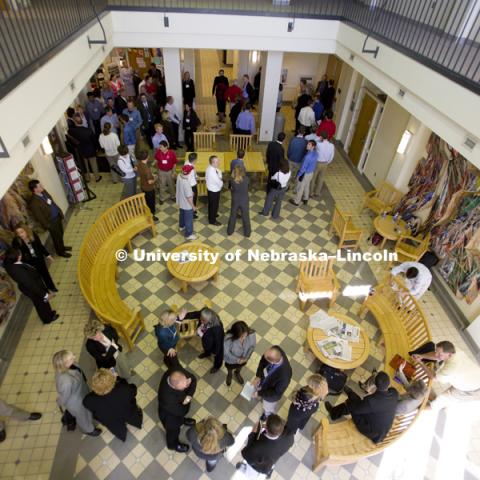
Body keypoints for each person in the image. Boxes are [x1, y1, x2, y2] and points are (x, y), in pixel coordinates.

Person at [325, 371, 399, 444]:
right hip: (380, 428)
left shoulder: (372, 401)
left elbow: (357, 410)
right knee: (359, 403)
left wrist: (352, 398)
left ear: (375, 384)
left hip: (372, 432)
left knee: (351, 405)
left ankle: (333, 413)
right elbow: (368, 404)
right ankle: (349, 393)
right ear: (388, 383)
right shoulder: (394, 393)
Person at [410, 341, 480, 410]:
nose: (436, 355)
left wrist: (421, 363)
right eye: (436, 352)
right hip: (473, 375)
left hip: (472, 389)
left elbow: (434, 377)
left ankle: (418, 409)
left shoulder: (450, 369)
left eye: (440, 354)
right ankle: (441, 403)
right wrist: (422, 356)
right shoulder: (453, 349)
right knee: (444, 398)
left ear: (449, 355)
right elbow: (436, 355)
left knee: (440, 400)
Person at [83, 369, 142, 442]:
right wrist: (119, 379)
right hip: (127, 412)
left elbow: (86, 405)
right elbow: (134, 390)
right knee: (134, 417)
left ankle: (122, 436)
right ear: (112, 380)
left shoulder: (89, 399)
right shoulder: (123, 389)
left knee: (117, 429)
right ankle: (137, 424)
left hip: (110, 420)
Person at [4, 248, 59, 324]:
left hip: (30, 286)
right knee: (41, 303)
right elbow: (31, 285)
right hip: (33, 289)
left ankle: (49, 313)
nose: (21, 254)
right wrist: (45, 295)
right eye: (19, 254)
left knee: (42, 303)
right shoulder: (18, 271)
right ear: (17, 257)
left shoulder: (9, 263)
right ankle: (48, 319)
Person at [52, 350, 101, 436]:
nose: (74, 357)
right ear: (65, 364)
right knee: (83, 417)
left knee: (88, 408)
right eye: (71, 358)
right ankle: (89, 430)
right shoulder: (65, 381)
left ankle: (91, 414)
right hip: (77, 402)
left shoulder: (72, 364)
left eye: (72, 355)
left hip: (82, 391)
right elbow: (64, 397)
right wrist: (59, 402)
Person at [358, 365, 428, 415]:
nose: (412, 381)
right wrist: (400, 371)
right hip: (395, 398)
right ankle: (370, 383)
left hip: (387, 407)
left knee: (381, 381)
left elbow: (389, 409)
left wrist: (386, 392)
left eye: (413, 383)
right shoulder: (420, 394)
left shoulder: (404, 405)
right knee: (381, 380)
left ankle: (370, 383)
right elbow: (408, 386)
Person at [28, 180, 71, 258]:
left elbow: (52, 202)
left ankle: (62, 247)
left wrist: (59, 212)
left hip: (57, 216)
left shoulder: (44, 192)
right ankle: (60, 252)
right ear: (35, 189)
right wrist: (48, 225)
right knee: (56, 237)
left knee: (60, 233)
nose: (42, 186)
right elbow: (39, 217)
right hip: (51, 222)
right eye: (40, 186)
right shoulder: (33, 203)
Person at [157, 368, 197, 452]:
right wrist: (187, 400)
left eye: (186, 383)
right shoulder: (168, 399)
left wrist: (188, 394)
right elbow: (182, 411)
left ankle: (182, 421)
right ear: (174, 387)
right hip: (170, 418)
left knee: (180, 418)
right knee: (173, 432)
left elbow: (193, 378)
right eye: (184, 387)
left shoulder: (174, 372)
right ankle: (172, 445)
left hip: (176, 411)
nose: (186, 387)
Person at [13, 224, 57, 292]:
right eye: (18, 233)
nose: (20, 235)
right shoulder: (16, 241)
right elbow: (18, 254)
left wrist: (48, 255)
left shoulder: (32, 235)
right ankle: (45, 291)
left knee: (45, 274)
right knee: (36, 278)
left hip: (39, 259)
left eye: (22, 232)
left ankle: (51, 287)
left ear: (26, 230)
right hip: (29, 263)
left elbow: (40, 246)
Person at [252, 346, 292, 418]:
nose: (263, 356)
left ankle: (266, 415)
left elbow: (275, 393)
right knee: (258, 390)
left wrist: (259, 393)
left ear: (272, 362)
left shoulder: (285, 376)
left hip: (271, 395)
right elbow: (262, 361)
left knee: (267, 407)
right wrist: (258, 376)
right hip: (263, 381)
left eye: (266, 357)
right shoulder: (275, 349)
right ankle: (259, 395)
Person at [182, 307, 224, 373]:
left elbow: (218, 343)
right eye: (201, 319)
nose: (201, 321)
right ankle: (207, 353)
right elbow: (194, 314)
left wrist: (215, 352)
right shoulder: (203, 313)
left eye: (203, 321)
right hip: (206, 340)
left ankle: (217, 366)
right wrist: (183, 317)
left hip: (214, 344)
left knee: (218, 355)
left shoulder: (217, 329)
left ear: (209, 320)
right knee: (206, 347)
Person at [68, 115, 102, 182]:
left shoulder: (72, 131)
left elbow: (69, 135)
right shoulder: (88, 130)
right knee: (94, 164)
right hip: (91, 150)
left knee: (85, 166)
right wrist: (97, 148)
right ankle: (97, 177)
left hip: (81, 151)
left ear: (75, 122)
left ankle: (87, 178)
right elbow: (94, 141)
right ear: (82, 121)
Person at [223, 321, 256, 386]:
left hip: (244, 359)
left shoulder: (251, 334)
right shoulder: (228, 338)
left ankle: (237, 373)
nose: (244, 338)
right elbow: (226, 352)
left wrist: (246, 358)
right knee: (230, 368)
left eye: (245, 335)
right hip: (231, 360)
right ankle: (230, 374)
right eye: (241, 336)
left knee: (240, 366)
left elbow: (252, 347)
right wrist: (237, 359)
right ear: (235, 334)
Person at [289, 140, 318, 207]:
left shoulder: (308, 156)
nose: (307, 145)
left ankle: (296, 201)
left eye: (309, 145)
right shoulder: (316, 153)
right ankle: (305, 198)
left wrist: (298, 175)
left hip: (305, 174)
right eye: (307, 144)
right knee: (307, 186)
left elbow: (303, 168)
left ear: (313, 146)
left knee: (300, 188)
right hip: (311, 173)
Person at [227, 165, 251, 237]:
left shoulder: (232, 180)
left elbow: (231, 189)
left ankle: (230, 231)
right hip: (244, 200)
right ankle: (247, 233)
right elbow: (248, 187)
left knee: (233, 215)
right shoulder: (247, 179)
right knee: (246, 216)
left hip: (235, 200)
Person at [310, 130, 335, 197]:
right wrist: (327, 162)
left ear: (321, 137)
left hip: (317, 163)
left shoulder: (319, 144)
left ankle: (311, 192)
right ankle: (317, 192)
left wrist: (319, 138)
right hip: (325, 163)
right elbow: (331, 156)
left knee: (313, 177)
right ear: (328, 137)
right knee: (321, 178)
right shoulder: (332, 146)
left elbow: (313, 141)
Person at [176, 164, 197, 241]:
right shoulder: (187, 184)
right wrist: (193, 206)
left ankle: (181, 226)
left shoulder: (179, 176)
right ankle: (189, 234)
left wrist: (190, 192)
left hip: (180, 201)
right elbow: (189, 198)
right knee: (189, 220)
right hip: (187, 205)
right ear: (189, 173)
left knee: (182, 215)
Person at [136, 149, 158, 221]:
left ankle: (146, 212)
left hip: (142, 185)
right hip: (149, 188)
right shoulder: (147, 169)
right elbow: (150, 182)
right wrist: (155, 178)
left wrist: (151, 174)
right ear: (147, 157)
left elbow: (137, 170)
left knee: (146, 201)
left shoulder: (139, 164)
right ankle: (152, 215)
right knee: (151, 203)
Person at [206, 155, 223, 226]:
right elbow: (219, 182)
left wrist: (219, 177)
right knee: (213, 205)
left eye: (218, 161)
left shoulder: (212, 168)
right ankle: (212, 220)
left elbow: (219, 172)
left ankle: (214, 214)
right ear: (212, 163)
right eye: (216, 162)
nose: (218, 163)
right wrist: (221, 181)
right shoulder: (211, 172)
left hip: (213, 189)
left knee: (213, 204)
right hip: (213, 191)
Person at [184, 152, 198, 217]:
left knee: (192, 199)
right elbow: (189, 178)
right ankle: (192, 213)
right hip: (191, 185)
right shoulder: (190, 168)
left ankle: (193, 210)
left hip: (190, 184)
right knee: (193, 199)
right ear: (194, 160)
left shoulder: (186, 162)